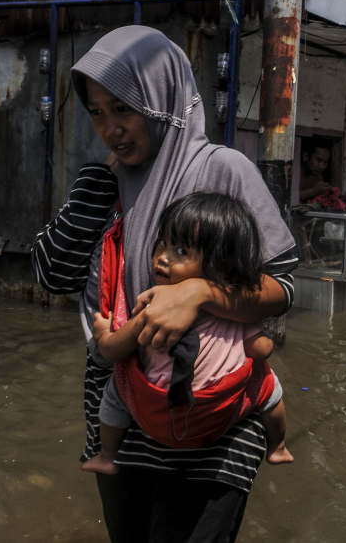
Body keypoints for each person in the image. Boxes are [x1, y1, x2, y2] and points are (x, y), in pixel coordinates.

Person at [31, 26, 297, 541]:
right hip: (120, 408)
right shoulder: (107, 182)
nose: (111, 129)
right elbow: (53, 275)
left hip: (212, 415)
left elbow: (284, 290)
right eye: (97, 112)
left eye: (124, 109)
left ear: (163, 100)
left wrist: (200, 293)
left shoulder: (224, 172)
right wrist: (95, 188)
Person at [82, 193, 293, 476]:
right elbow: (261, 350)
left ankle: (106, 455)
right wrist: (265, 340)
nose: (163, 257)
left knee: (116, 384)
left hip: (157, 420)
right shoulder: (233, 310)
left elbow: (112, 351)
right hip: (215, 417)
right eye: (164, 243)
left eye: (181, 252)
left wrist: (103, 333)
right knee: (268, 383)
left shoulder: (154, 305)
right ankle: (278, 447)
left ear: (219, 264)